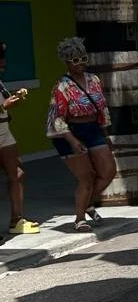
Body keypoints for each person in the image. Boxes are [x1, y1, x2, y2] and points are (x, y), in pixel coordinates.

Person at [45, 36, 116, 232]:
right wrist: (72, 140)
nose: (80, 63)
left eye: (83, 58)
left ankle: (88, 203)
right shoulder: (62, 86)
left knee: (108, 171)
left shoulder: (94, 80)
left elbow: (102, 109)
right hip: (70, 132)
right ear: (67, 62)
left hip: (93, 128)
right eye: (75, 60)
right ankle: (79, 218)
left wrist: (106, 134)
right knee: (86, 177)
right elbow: (57, 117)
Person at [0, 41, 39, 238]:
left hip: (4, 130)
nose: (3, 65)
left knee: (17, 173)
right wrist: (4, 106)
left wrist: (12, 100)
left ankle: (16, 220)